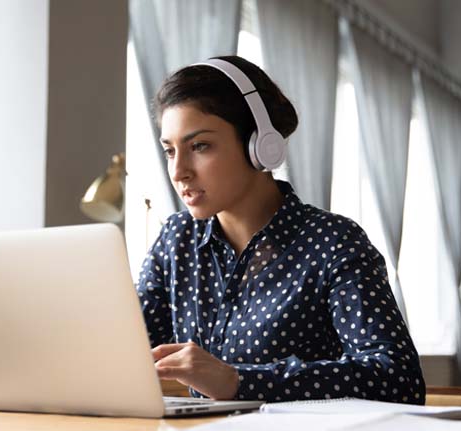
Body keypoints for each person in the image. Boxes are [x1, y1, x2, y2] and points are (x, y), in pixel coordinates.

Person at [136, 55, 425, 404]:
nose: (179, 171)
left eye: (200, 146)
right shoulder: (177, 239)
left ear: (260, 145)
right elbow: (128, 349)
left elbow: (398, 378)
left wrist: (237, 381)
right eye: (170, 151)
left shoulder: (333, 242)